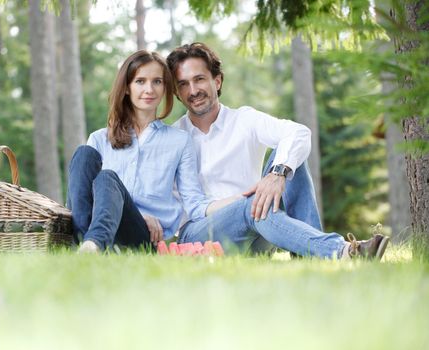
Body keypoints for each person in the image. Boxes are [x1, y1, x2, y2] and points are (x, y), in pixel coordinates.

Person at [166, 42, 389, 259]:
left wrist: (278, 173)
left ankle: (310, 256)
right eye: (183, 84)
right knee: (250, 205)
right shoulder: (174, 139)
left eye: (199, 79)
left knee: (290, 157)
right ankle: (340, 251)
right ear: (176, 91)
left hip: (257, 232)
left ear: (217, 80)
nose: (193, 90)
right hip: (199, 236)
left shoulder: (244, 119)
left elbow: (299, 132)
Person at [67, 50, 228, 253]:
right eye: (140, 81)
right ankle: (85, 244)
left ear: (165, 88)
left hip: (142, 237)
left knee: (108, 177)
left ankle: (91, 246)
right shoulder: (99, 139)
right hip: (99, 226)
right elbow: (83, 199)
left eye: (157, 82)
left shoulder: (179, 141)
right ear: (127, 87)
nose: (149, 89)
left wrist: (241, 201)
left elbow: (193, 203)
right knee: (84, 154)